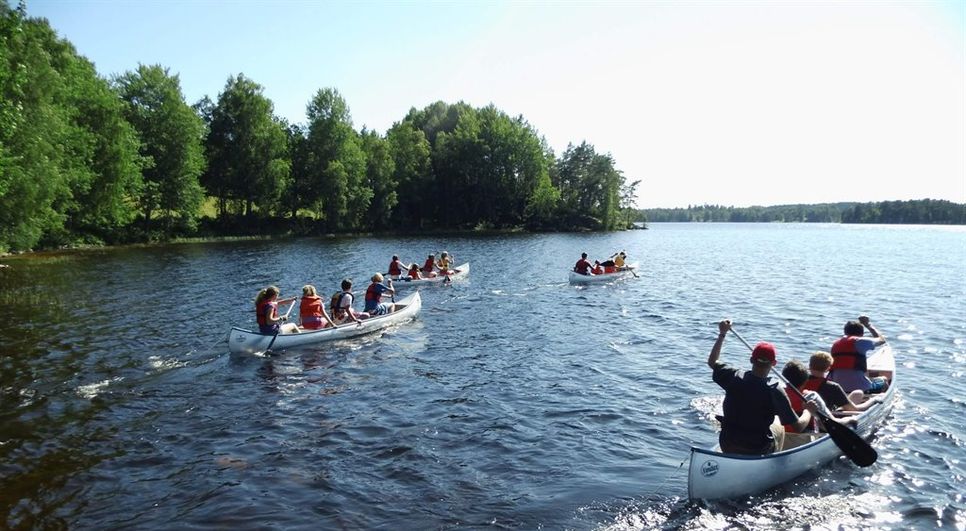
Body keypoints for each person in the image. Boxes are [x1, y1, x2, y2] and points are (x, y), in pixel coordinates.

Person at [707, 319, 816, 454]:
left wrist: (722, 334)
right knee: (779, 425)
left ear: (752, 360)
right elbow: (798, 427)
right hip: (757, 449)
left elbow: (712, 362)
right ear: (774, 363)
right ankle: (775, 463)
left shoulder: (733, 376)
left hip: (727, 444)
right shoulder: (775, 389)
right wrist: (808, 411)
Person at [780, 360, 858, 433]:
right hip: (806, 438)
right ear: (805, 381)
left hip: (783, 436)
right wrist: (848, 419)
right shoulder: (811, 396)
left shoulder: (777, 394)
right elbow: (829, 425)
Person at [827, 315, 888, 394]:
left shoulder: (836, 344)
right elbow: (882, 340)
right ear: (862, 333)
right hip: (859, 389)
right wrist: (868, 325)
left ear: (845, 332)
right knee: (884, 379)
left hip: (838, 388)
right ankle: (882, 402)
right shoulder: (861, 341)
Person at [808, 351, 884, 413]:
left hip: (808, 411)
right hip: (828, 414)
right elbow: (854, 409)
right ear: (828, 368)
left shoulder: (801, 381)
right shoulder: (833, 387)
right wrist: (874, 400)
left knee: (858, 393)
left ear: (810, 365)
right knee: (858, 393)